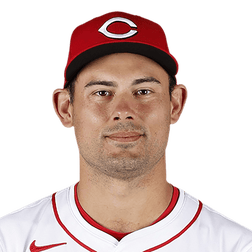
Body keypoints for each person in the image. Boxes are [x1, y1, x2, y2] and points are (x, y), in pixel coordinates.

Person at [0, 9, 251, 252]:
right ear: (65, 108)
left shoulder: (236, 246)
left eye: (143, 91)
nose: (123, 110)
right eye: (101, 92)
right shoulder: (8, 241)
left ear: (175, 104)